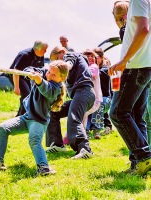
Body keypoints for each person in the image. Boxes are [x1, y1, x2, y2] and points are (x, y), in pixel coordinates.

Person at [0, 60, 69, 176]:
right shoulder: (45, 74)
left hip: (38, 121)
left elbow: (46, 89)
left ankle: (44, 168)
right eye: (49, 71)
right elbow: (29, 68)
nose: (49, 75)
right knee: (2, 128)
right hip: (26, 117)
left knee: (34, 140)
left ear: (62, 78)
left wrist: (38, 80)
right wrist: (30, 72)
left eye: (53, 74)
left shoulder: (55, 88)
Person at [109, 0, 151, 175]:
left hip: (136, 66)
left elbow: (143, 30)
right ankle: (138, 164)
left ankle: (144, 156)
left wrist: (124, 61)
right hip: (145, 65)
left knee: (117, 113)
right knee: (136, 115)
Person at [46, 46, 95, 159]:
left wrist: (59, 69)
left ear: (62, 52)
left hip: (84, 91)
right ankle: (57, 144)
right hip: (80, 95)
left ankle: (84, 149)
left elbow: (68, 64)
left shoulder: (70, 55)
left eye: (58, 59)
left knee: (74, 118)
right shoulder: (72, 59)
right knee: (54, 111)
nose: (58, 63)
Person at [63, 49, 102, 142]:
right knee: (78, 115)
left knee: (80, 115)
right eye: (88, 56)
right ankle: (73, 137)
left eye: (93, 56)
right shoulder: (83, 68)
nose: (91, 58)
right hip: (87, 98)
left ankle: (78, 138)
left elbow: (88, 73)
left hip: (94, 100)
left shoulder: (94, 67)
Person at [10, 40, 48, 117]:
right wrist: (16, 87)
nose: (46, 51)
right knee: (27, 94)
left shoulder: (41, 55)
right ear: (38, 49)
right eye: (45, 49)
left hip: (28, 77)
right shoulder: (24, 55)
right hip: (17, 76)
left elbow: (41, 69)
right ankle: (21, 116)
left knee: (31, 94)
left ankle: (24, 114)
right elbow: (15, 71)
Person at [86, 47, 112, 138]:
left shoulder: (105, 69)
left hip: (105, 99)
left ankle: (96, 130)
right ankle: (86, 130)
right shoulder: (92, 68)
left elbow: (95, 74)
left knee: (99, 104)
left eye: (94, 57)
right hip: (94, 98)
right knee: (88, 105)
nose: (92, 59)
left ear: (101, 58)